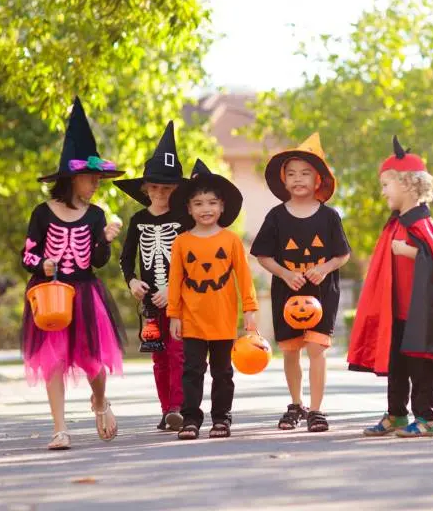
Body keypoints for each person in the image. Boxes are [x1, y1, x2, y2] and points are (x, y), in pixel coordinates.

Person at [20, 97, 127, 450]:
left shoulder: (97, 215)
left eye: (98, 178)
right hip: (50, 292)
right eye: (90, 178)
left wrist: (106, 241)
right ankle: (60, 428)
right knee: (54, 359)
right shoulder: (43, 212)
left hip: (84, 293)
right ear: (71, 178)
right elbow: (27, 253)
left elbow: (96, 262)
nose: (96, 184)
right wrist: (42, 265)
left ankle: (100, 401)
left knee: (94, 359)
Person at [348, 136, 433, 437]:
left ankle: (426, 418)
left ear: (408, 185)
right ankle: (396, 414)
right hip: (397, 309)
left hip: (420, 313)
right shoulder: (396, 223)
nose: (383, 191)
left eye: (387, 184)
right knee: (396, 363)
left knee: (420, 365)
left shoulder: (421, 224)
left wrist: (412, 252)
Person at [252, 133, 350, 432]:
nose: (298, 179)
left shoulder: (330, 217)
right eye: (291, 173)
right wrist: (284, 273)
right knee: (291, 350)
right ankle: (296, 403)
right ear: (283, 180)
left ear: (318, 180)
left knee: (316, 349)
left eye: (305, 173)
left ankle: (317, 410)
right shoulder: (276, 217)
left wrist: (325, 267)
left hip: (322, 291)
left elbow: (343, 255)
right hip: (287, 292)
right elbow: (263, 255)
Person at [166, 159, 258, 440]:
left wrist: (250, 310)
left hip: (223, 317)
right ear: (189, 209)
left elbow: (244, 276)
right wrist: (174, 315)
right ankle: (190, 419)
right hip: (192, 318)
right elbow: (176, 281)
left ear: (221, 207)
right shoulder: (182, 242)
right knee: (192, 371)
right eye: (198, 203)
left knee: (222, 372)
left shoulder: (230, 241)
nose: (205, 209)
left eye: (211, 203)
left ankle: (221, 418)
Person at [115, 120, 188, 432]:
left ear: (177, 190)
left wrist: (172, 287)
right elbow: (125, 258)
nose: (160, 193)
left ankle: (179, 407)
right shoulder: (138, 220)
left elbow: (191, 260)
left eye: (168, 188)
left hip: (179, 298)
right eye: (155, 187)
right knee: (157, 356)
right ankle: (165, 409)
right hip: (149, 303)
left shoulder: (184, 219)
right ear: (145, 189)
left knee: (179, 353)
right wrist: (131, 281)